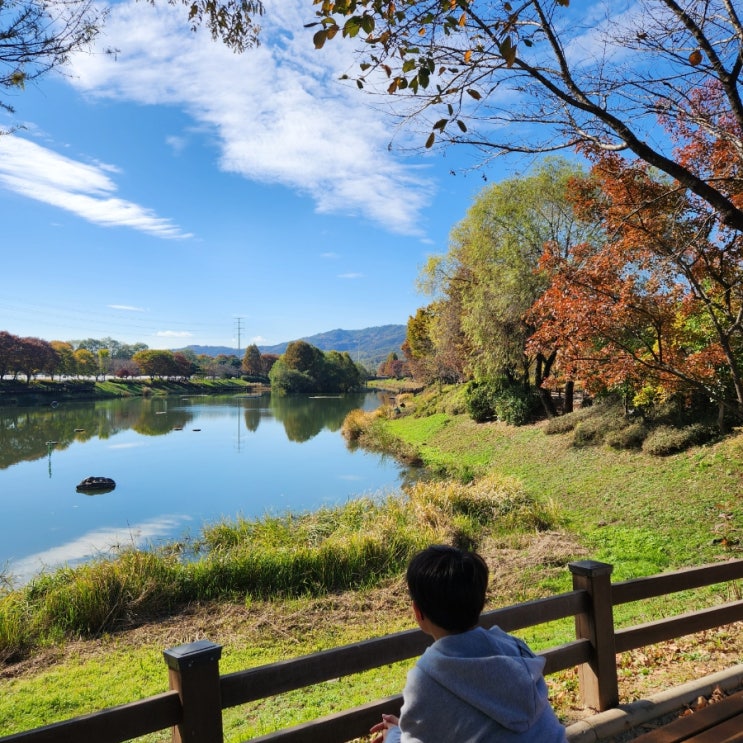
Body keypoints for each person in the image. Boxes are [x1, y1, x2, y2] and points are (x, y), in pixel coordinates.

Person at [370, 545, 568, 743]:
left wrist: (393, 735)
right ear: (480, 602)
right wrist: (406, 730)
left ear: (417, 611)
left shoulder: (426, 679)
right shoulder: (513, 648)